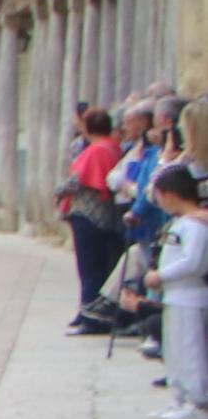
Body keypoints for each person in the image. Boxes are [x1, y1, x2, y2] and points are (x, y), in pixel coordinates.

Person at [68, 106, 133, 325]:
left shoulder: (97, 150)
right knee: (98, 267)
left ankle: (89, 315)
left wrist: (59, 191)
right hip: (105, 214)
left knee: (89, 268)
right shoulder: (114, 148)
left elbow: (79, 180)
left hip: (89, 214)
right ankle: (88, 312)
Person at [155, 165, 208, 419]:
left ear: (171, 195)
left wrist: (161, 275)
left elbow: (193, 262)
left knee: (190, 349)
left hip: (190, 295)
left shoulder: (196, 225)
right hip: (173, 296)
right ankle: (179, 397)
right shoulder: (180, 224)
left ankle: (196, 400)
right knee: (174, 349)